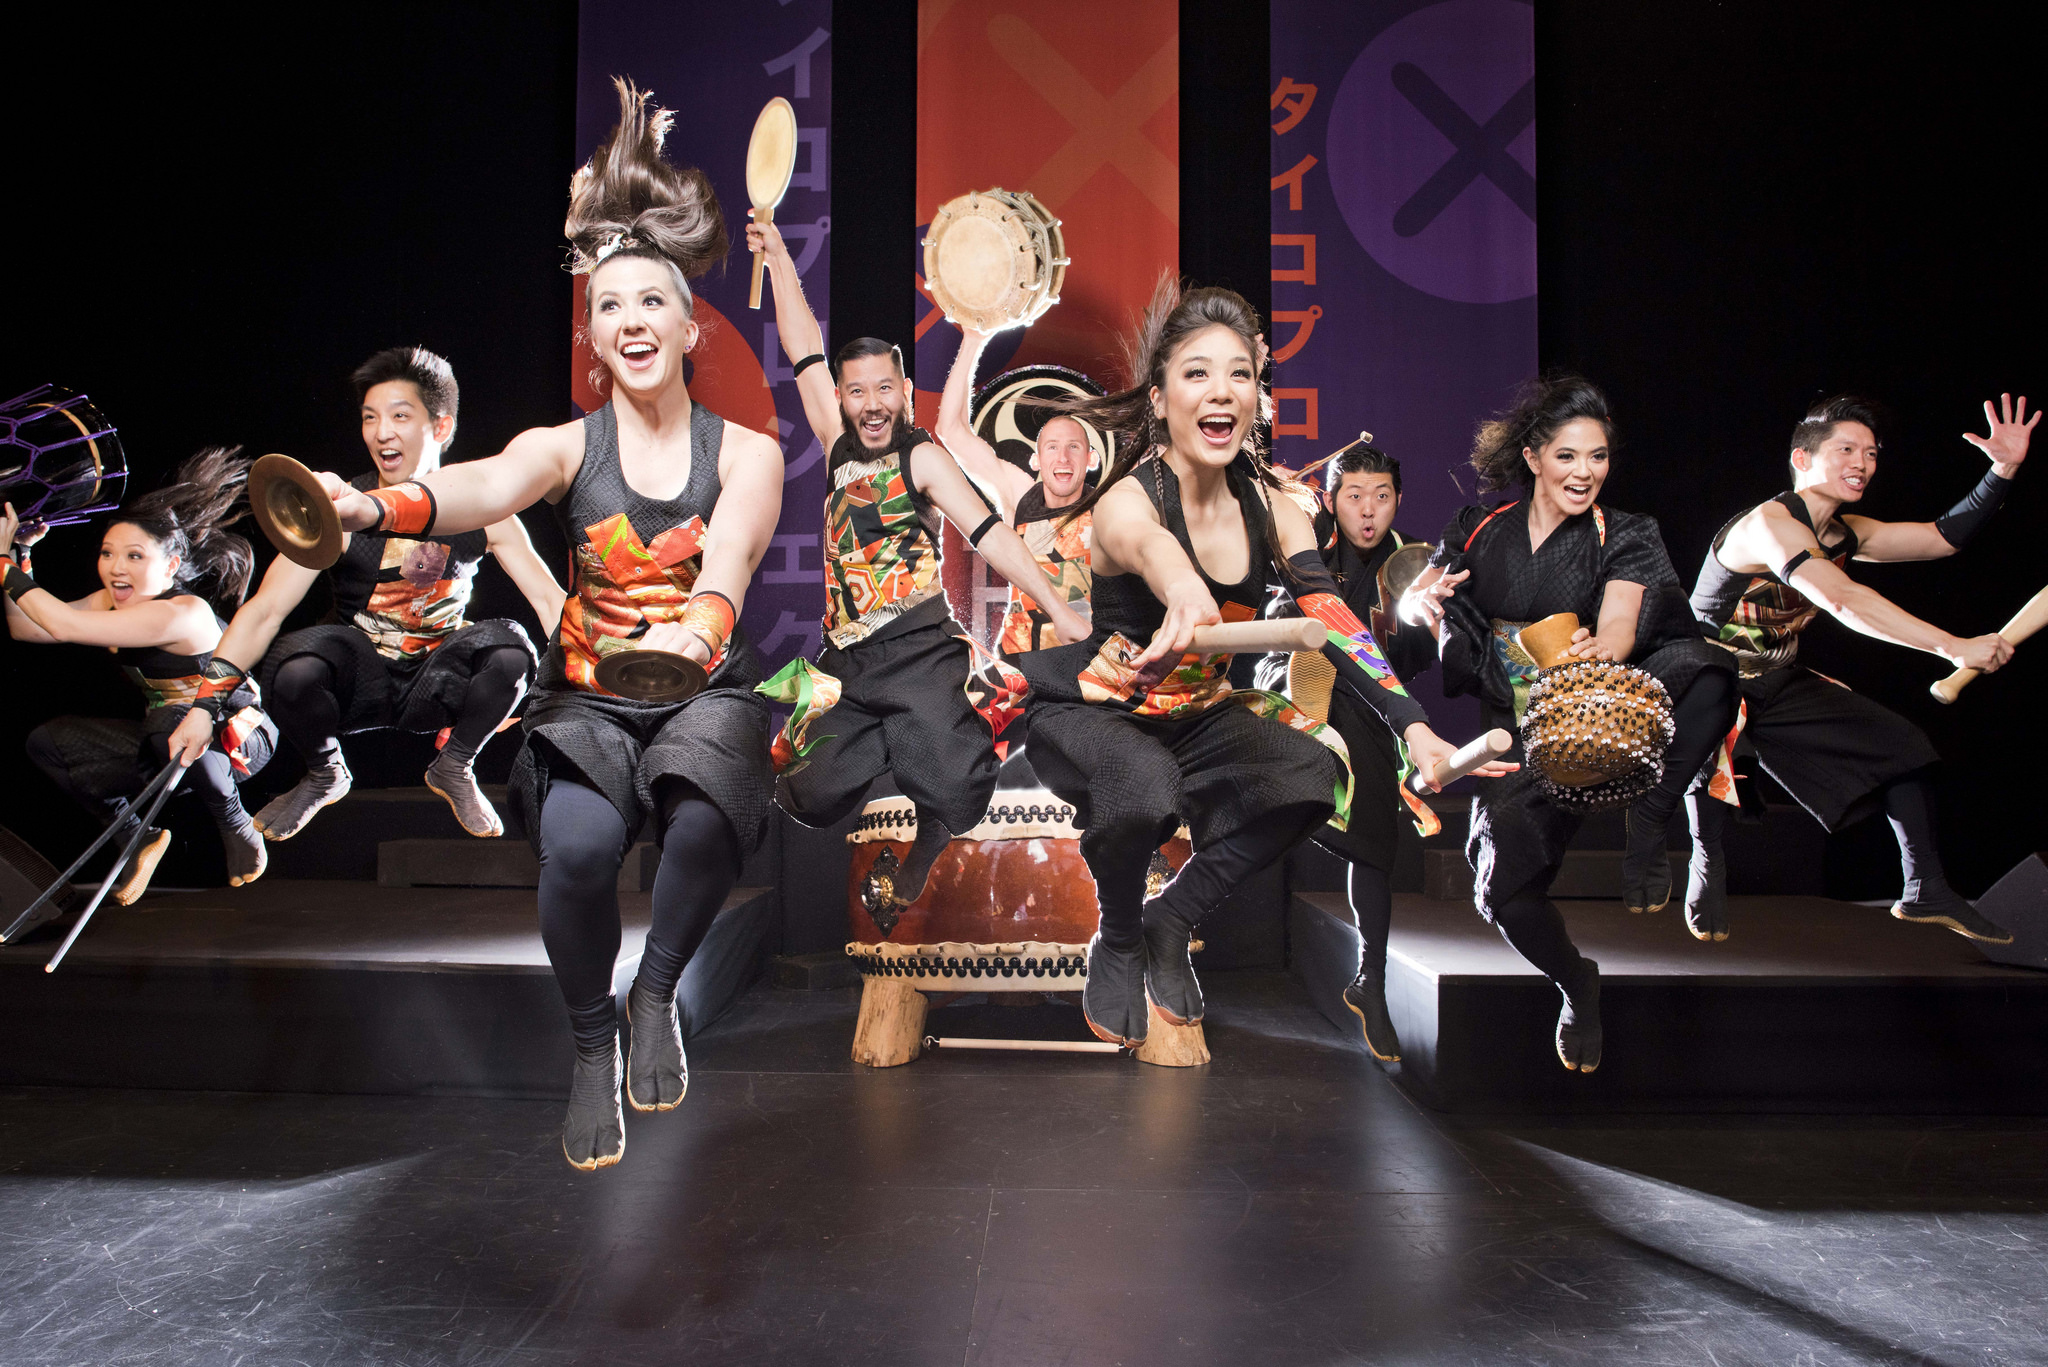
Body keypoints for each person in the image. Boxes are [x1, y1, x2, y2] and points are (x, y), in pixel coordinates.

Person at [304, 80, 785, 1171]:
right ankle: (590, 1037)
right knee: (575, 853)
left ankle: (656, 990)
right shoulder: (563, 447)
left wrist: (694, 634)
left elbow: (732, 559)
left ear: (689, 325)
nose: (631, 321)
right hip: (592, 696)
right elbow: (479, 486)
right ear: (592, 333)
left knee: (705, 821)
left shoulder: (746, 451)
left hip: (702, 683)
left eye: (651, 302)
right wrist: (373, 508)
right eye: (609, 306)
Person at [1015, 278, 1505, 1048]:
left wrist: (1413, 727)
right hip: (1099, 708)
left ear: (1256, 394)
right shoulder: (1124, 501)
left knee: (1315, 774)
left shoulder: (1274, 506)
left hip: (1196, 714)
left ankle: (1171, 915)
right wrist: (1183, 590)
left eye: (1239, 373)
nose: (1222, 390)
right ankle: (1119, 935)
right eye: (1197, 372)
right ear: (1160, 398)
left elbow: (1329, 614)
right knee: (1143, 786)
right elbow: (1153, 548)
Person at [748, 219, 1090, 917]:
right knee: (803, 788)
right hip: (847, 658)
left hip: (918, 649)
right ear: (842, 397)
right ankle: (894, 737)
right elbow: (803, 349)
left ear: (904, 391)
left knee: (958, 787)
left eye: (885, 389)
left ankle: (929, 804)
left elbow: (989, 534)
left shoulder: (923, 457)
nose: (872, 404)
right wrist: (779, 259)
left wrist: (1057, 606)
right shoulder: (837, 444)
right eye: (857, 391)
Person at [1401, 376, 1732, 1073]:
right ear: (1532, 457)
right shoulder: (1477, 528)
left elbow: (1620, 623)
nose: (1586, 472)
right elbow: (1414, 598)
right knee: (1503, 893)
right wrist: (1419, 602)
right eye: (1568, 456)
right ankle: (1577, 982)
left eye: (1599, 457)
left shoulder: (1627, 532)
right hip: (1520, 734)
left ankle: (1653, 815)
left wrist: (1595, 649)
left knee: (1708, 670)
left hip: (1599, 709)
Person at [172, 347, 560, 844]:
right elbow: (265, 611)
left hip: (436, 681)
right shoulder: (339, 509)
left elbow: (549, 601)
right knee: (293, 663)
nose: (381, 433)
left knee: (512, 649)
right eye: (370, 418)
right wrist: (203, 709)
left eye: (400, 416)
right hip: (358, 682)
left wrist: (583, 685)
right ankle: (325, 772)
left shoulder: (485, 509)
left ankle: (455, 765)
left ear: (441, 426)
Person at [1685, 393, 2031, 943]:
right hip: (1701, 675)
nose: (1862, 463)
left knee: (1902, 746)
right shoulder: (1769, 524)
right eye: (1846, 450)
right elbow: (1842, 600)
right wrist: (1951, 647)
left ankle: (1925, 888)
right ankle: (1706, 861)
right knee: (1714, 728)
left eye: (1870, 453)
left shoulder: (1849, 532)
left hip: (1775, 677)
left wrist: (2002, 471)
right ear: (1802, 459)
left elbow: (1941, 539)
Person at [3, 448, 276, 914]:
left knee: (170, 722)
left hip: (237, 742)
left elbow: (63, 626)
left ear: (170, 565)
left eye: (134, 556)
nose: (116, 567)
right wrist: (20, 552)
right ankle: (136, 837)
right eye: (108, 554)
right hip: (165, 745)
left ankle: (237, 825)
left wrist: (2, 564)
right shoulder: (110, 601)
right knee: (49, 744)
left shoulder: (181, 613)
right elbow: (29, 627)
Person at [1255, 437, 1444, 1062]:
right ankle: (1304, 708)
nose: (1367, 510)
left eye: (1381, 497)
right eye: (1354, 496)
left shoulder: (1414, 564)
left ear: (1398, 501)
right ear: (1332, 499)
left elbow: (1414, 667)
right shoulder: (1306, 537)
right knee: (1312, 644)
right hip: (1286, 667)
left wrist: (1433, 627)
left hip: (1371, 705)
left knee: (1375, 842)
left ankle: (1372, 978)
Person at [934, 327, 1100, 658]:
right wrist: (973, 339)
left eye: (1073, 447)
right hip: (1022, 664)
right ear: (1036, 460)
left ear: (1091, 459)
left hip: (1087, 662)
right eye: (1052, 447)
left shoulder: (1110, 507)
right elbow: (949, 430)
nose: (1063, 457)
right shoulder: (1019, 494)